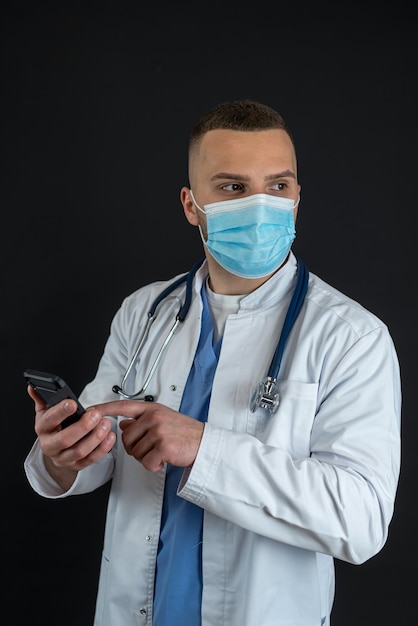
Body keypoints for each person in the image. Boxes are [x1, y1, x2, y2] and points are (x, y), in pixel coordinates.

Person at [24, 99, 402, 626]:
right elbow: (98, 453)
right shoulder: (144, 311)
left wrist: (204, 449)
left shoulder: (351, 337)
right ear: (190, 204)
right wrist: (65, 456)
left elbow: (360, 523)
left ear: (297, 197)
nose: (260, 205)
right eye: (232, 187)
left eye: (278, 186)